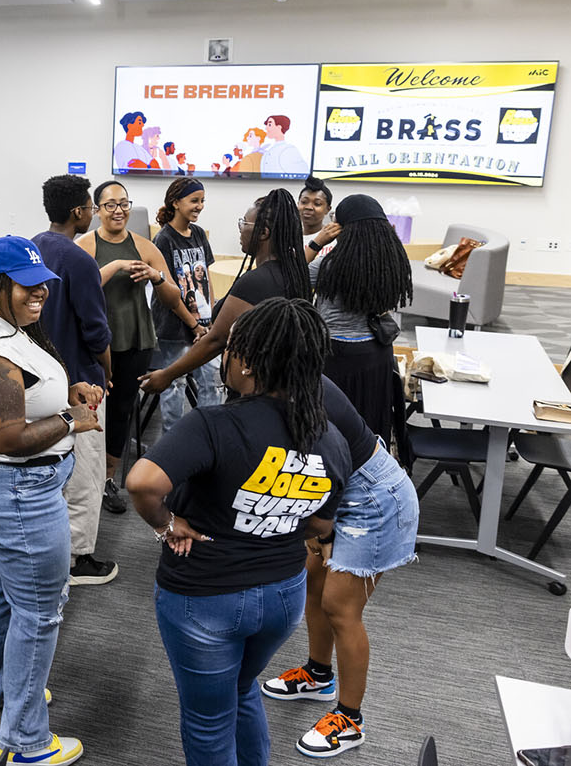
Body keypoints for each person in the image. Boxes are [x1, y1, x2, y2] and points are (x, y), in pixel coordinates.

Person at [126, 298, 349, 766]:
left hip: (205, 596)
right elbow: (320, 524)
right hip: (282, 596)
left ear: (246, 362)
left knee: (208, 720)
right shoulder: (329, 438)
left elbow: (143, 483)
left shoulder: (213, 424)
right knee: (242, 688)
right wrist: (275, 513)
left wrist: (167, 524)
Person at [0, 235, 102, 765]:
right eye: (26, 286)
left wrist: (64, 394)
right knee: (39, 613)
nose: (39, 293)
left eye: (43, 284)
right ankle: (25, 743)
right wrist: (71, 419)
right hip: (20, 492)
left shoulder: (3, 330)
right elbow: (7, 437)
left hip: (7, 490)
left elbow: (21, 399)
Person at [261, 374, 418, 758]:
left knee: (340, 607)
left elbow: (326, 461)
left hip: (372, 498)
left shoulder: (300, 392)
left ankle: (350, 719)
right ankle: (318, 675)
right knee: (313, 581)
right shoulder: (274, 385)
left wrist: (323, 530)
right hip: (335, 491)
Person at [76, 180, 203, 515]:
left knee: (120, 411)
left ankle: (107, 479)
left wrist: (156, 277)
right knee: (91, 408)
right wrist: (116, 266)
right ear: (97, 210)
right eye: (110, 205)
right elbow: (82, 289)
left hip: (135, 339)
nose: (118, 211)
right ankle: (83, 478)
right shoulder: (85, 246)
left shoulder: (145, 246)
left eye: (124, 204)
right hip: (95, 342)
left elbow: (173, 297)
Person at [141, 189, 312, 401]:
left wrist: (167, 375)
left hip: (252, 394)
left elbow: (216, 340)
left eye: (244, 223)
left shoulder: (255, 282)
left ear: (263, 232)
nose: (240, 229)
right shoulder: (293, 274)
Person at [32, 175, 117, 586]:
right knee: (85, 471)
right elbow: (96, 333)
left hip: (37, 378)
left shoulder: (33, 247)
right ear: (77, 212)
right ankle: (77, 558)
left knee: (47, 469)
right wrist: (108, 371)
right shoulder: (80, 260)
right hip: (80, 382)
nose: (93, 214)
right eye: (91, 207)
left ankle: (48, 547)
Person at [309, 194, 412, 445]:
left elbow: (287, 274)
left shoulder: (330, 265)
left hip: (334, 356)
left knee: (331, 430)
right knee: (368, 425)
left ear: (343, 228)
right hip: (377, 354)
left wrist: (316, 242)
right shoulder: (393, 260)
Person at [151, 178, 223, 432]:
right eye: (194, 200)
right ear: (176, 203)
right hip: (175, 326)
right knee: (175, 384)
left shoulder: (199, 233)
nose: (200, 206)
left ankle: (207, 434)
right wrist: (193, 325)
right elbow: (169, 293)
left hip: (204, 325)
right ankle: (172, 437)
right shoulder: (163, 239)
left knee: (213, 381)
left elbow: (207, 278)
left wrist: (211, 318)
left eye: (202, 201)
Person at [300, 176, 342, 264]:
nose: (309, 207)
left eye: (317, 204)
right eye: (304, 202)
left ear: (327, 209)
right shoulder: (289, 238)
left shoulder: (334, 237)